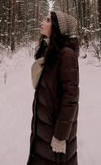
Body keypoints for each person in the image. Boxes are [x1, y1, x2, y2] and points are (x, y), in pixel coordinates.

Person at [27, 11, 79, 165]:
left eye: (48, 20)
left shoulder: (66, 55)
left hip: (55, 135)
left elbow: (71, 98)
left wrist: (61, 136)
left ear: (57, 28)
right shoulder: (50, 52)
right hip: (43, 130)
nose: (42, 22)